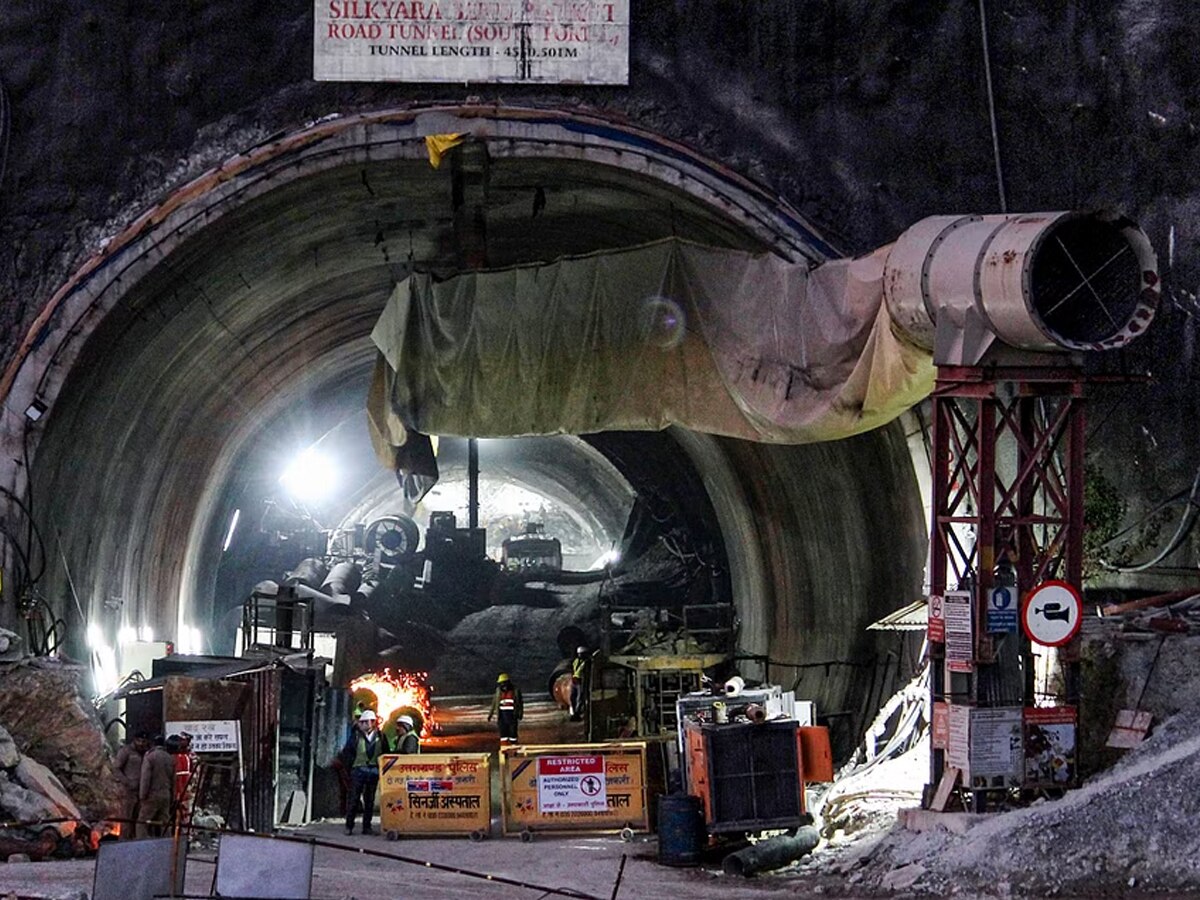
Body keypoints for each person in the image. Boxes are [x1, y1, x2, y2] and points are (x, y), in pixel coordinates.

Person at [339, 709, 389, 836]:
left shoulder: (381, 737)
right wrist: (350, 768)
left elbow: (386, 753)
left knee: (370, 800)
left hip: (373, 771)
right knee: (354, 799)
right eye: (362, 722)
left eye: (365, 722)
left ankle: (367, 826)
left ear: (372, 722)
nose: (362, 724)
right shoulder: (355, 736)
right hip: (358, 770)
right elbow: (347, 753)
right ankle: (349, 826)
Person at [113, 731, 150, 839]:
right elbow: (116, 768)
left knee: (139, 819)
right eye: (139, 741)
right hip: (128, 792)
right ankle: (123, 842)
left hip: (142, 791)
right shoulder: (126, 751)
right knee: (126, 819)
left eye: (144, 741)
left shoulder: (146, 753)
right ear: (135, 740)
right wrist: (126, 782)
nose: (141, 743)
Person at [138, 736, 176, 838]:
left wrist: (142, 796)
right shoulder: (169, 758)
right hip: (166, 795)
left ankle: (142, 845)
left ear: (153, 744)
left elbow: (145, 778)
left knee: (142, 823)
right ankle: (167, 844)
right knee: (165, 822)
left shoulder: (150, 757)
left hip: (152, 795)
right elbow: (173, 779)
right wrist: (172, 796)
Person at [488, 673, 524, 745]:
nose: (503, 686)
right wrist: (490, 714)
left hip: (512, 716)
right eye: (501, 684)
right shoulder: (498, 691)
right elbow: (494, 702)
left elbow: (520, 703)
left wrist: (520, 714)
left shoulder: (515, 690)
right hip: (502, 717)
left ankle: (514, 751)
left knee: (513, 735)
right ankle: (504, 753)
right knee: (503, 735)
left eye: (504, 683)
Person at [569, 646, 590, 721]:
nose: (580, 655)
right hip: (575, 681)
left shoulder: (587, 663)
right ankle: (574, 712)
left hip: (581, 681)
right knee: (572, 697)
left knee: (580, 697)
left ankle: (577, 713)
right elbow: (573, 670)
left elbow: (585, 673)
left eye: (582, 654)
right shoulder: (576, 661)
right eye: (579, 654)